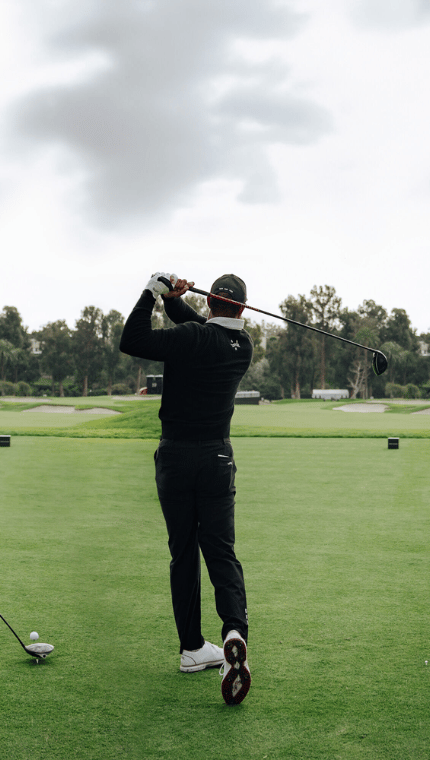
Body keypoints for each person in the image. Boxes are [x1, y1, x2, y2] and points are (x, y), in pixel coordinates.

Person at [119, 272, 253, 706]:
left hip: (175, 460)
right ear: (243, 310)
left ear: (210, 302)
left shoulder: (193, 338)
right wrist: (176, 302)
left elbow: (133, 339)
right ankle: (234, 631)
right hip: (216, 459)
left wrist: (152, 293)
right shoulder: (242, 348)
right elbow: (205, 329)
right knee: (221, 550)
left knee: (184, 553)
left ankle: (193, 649)